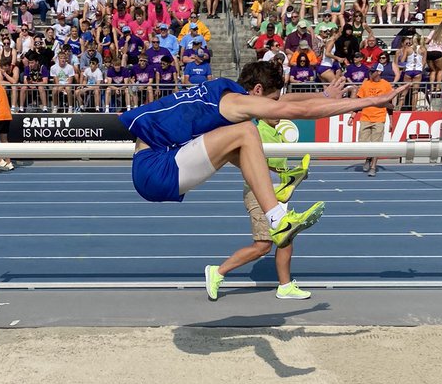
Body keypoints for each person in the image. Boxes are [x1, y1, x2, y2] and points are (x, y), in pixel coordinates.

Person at [120, 58, 409, 247]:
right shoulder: (236, 104)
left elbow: (285, 101)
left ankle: (278, 179)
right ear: (256, 90)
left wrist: (322, 96)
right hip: (156, 170)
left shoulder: (226, 94)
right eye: (269, 101)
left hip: (157, 162)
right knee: (246, 132)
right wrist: (370, 101)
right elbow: (297, 110)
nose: (273, 111)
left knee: (239, 141)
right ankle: (277, 219)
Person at [205, 114, 312, 301]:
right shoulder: (257, 132)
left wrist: (294, 174)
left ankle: (285, 286)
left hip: (278, 192)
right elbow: (249, 161)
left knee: (285, 238)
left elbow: (275, 166)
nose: (278, 115)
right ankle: (218, 272)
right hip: (259, 192)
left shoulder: (275, 132)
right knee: (263, 245)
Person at [357, 63, 394, 177]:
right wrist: (353, 115)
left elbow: (390, 104)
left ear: (378, 72)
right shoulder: (365, 84)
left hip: (379, 118)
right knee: (362, 144)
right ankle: (368, 157)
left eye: (372, 71)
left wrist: (391, 121)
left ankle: (373, 166)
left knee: (377, 144)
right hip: (365, 117)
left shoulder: (386, 85)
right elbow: (358, 102)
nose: (370, 73)